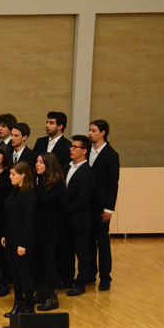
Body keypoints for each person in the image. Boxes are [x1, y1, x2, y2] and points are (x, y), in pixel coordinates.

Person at [88, 119, 120, 291]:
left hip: (102, 206)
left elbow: (113, 184)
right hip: (88, 204)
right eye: (90, 130)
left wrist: (109, 208)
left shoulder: (111, 155)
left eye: (94, 130)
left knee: (102, 241)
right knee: (88, 241)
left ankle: (105, 277)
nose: (90, 133)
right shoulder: (87, 151)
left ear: (103, 133)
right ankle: (90, 273)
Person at [1, 161, 36, 317]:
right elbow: (9, 216)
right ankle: (18, 304)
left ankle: (29, 306)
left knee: (24, 274)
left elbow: (29, 221)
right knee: (15, 274)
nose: (10, 177)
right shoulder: (15, 190)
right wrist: (5, 235)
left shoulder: (29, 194)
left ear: (23, 175)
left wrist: (23, 244)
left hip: (21, 241)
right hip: (11, 238)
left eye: (13, 174)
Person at [33, 153, 67, 311]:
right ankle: (42, 292)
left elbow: (63, 209)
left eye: (41, 162)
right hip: (38, 228)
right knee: (38, 262)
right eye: (37, 162)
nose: (37, 164)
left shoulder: (57, 184)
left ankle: (52, 297)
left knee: (48, 262)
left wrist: (55, 228)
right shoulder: (40, 181)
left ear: (49, 165)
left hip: (50, 229)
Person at [62, 135, 96, 297]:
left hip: (79, 219)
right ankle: (67, 279)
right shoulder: (66, 167)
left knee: (81, 252)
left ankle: (81, 282)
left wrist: (65, 209)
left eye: (75, 147)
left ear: (84, 151)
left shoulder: (88, 172)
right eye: (71, 146)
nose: (71, 149)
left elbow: (83, 199)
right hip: (66, 219)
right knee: (66, 251)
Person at [0, 143, 14, 298]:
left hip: (5, 216)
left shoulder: (9, 173)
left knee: (4, 252)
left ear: (4, 156)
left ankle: (5, 283)